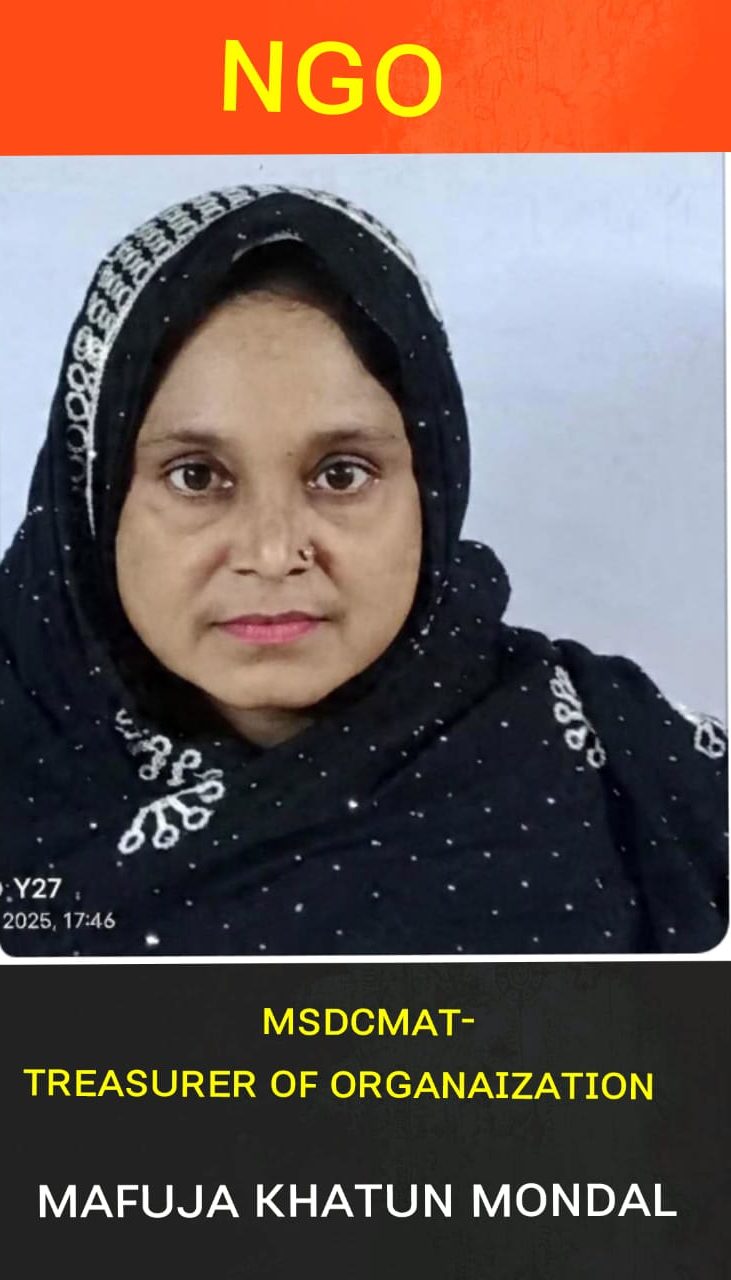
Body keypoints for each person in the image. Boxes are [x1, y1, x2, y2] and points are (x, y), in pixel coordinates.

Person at [0, 184, 726, 957]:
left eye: (340, 474)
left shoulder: (630, 767)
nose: (272, 554)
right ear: (92, 498)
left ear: (431, 486)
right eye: (196, 476)